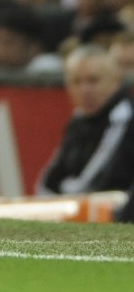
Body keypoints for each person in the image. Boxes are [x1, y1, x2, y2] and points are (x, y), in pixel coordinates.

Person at [36, 44, 134, 196]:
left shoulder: (125, 118)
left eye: (93, 81)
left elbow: (100, 181)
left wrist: (59, 198)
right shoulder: (78, 119)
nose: (85, 90)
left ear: (116, 81)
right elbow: (51, 177)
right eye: (76, 82)